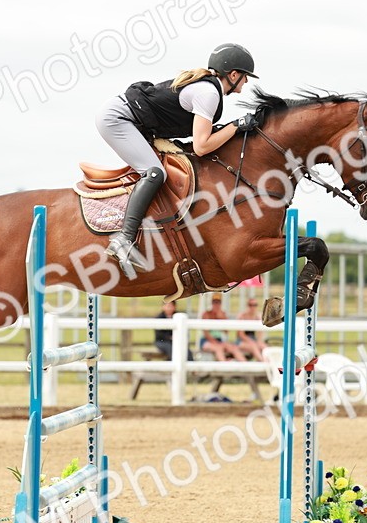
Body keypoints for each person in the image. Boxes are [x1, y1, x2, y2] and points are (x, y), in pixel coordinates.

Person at [95, 43, 260, 276]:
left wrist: (236, 128)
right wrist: (236, 126)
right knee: (154, 172)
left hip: (130, 120)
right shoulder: (209, 93)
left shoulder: (207, 89)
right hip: (118, 118)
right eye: (245, 77)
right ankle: (124, 238)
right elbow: (202, 146)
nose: (246, 82)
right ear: (233, 74)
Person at [200, 293, 248, 361]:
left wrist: (221, 318)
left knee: (233, 348)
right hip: (206, 341)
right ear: (212, 303)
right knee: (218, 348)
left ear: (221, 304)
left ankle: (245, 366)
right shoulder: (206, 314)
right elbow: (206, 334)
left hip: (219, 340)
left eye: (218, 302)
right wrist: (217, 343)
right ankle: (225, 365)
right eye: (214, 302)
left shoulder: (223, 314)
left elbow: (226, 331)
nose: (216, 305)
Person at [235, 296, 267, 361]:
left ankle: (270, 364)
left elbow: (260, 333)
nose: (252, 307)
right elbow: (241, 335)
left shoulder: (257, 316)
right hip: (241, 341)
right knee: (254, 347)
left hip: (253, 339)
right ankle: (264, 363)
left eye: (255, 305)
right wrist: (252, 342)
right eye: (250, 305)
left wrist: (258, 341)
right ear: (247, 306)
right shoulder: (242, 316)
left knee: (264, 346)